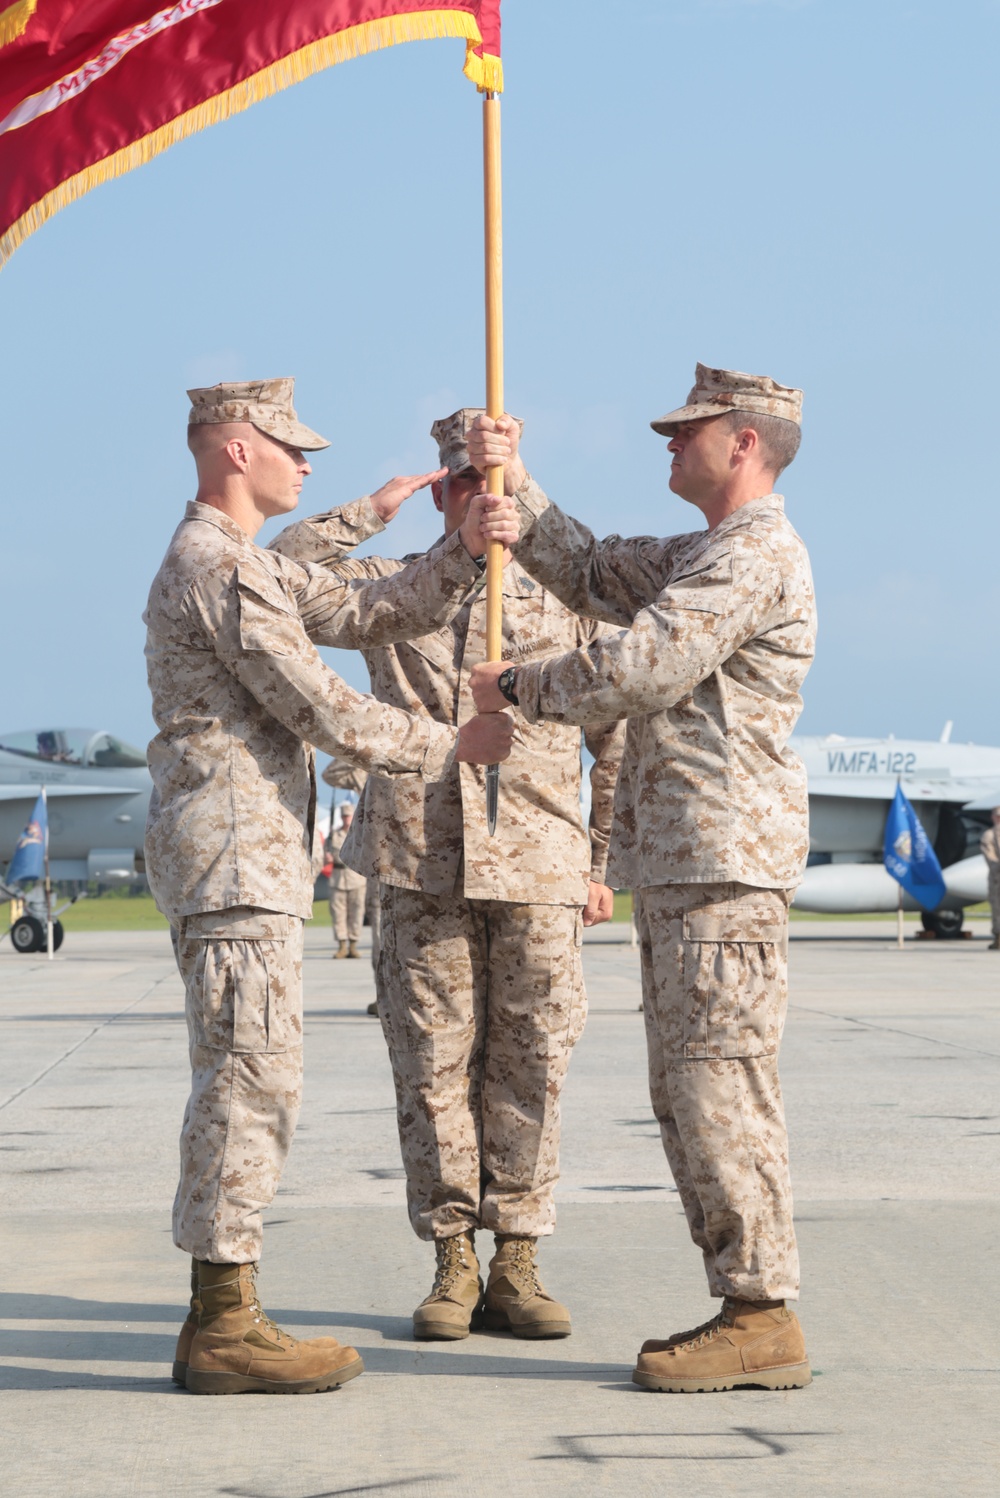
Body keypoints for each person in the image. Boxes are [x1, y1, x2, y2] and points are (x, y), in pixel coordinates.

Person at [144, 378, 517, 1396]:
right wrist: (456, 745)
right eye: (286, 447)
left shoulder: (244, 563)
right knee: (246, 1080)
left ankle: (221, 1311)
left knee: (252, 1075)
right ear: (233, 450)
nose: (305, 463)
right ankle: (223, 1322)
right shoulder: (220, 570)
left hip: (245, 856)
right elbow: (323, 707)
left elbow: (371, 607)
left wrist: (462, 537)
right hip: (232, 855)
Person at [468, 365, 817, 1393]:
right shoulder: (706, 549)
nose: (668, 443)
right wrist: (511, 482)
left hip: (724, 863)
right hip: (687, 864)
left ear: (743, 441)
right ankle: (744, 1302)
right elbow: (591, 570)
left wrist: (520, 688)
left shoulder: (753, 555)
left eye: (687, 431)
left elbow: (642, 665)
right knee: (687, 1089)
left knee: (719, 1084)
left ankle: (761, 1311)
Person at [271, 408, 625, 1342]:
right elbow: (280, 573)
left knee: (534, 1062)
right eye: (461, 480)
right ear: (442, 491)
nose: (480, 496)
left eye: (493, 480)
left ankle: (518, 1257)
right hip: (418, 858)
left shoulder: (563, 597)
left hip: (540, 857)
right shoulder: (393, 591)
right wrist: (373, 510)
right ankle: (451, 1261)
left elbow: (615, 737)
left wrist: (599, 861)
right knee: (431, 1067)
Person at [327, 802, 366, 958]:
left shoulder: (359, 834)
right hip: (337, 878)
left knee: (356, 912)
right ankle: (342, 945)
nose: (346, 819)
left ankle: (354, 945)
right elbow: (327, 853)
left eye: (348, 815)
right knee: (338, 913)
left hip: (356, 877)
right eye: (344, 816)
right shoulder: (333, 835)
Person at [981, 807, 1000, 950]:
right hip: (997, 878)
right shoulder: (989, 835)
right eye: (997, 816)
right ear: (993, 817)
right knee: (997, 908)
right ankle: (998, 937)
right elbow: (990, 856)